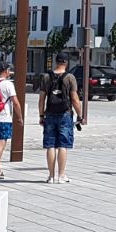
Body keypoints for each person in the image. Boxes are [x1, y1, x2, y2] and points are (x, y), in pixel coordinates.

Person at [39, 55, 82, 184]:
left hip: (50, 114)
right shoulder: (70, 78)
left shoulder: (46, 77)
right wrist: (79, 115)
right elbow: (74, 99)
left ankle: (51, 176)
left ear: (56, 62)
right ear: (66, 63)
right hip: (65, 114)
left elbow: (41, 99)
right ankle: (61, 175)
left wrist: (41, 115)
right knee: (63, 145)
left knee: (50, 145)